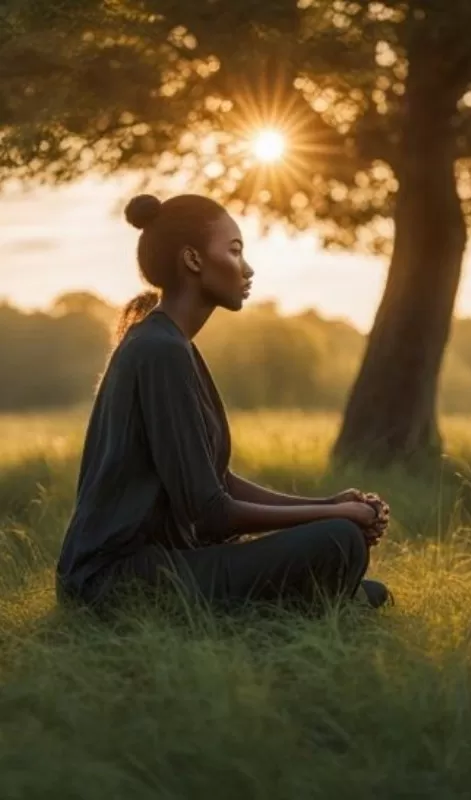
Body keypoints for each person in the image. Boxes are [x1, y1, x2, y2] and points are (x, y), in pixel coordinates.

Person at [56, 193, 392, 615]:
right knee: (338, 543)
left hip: (155, 567)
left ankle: (298, 608)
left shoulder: (173, 345)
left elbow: (217, 482)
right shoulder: (160, 351)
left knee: (360, 574)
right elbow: (210, 513)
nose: (247, 268)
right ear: (193, 260)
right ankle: (294, 610)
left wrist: (328, 505)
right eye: (234, 251)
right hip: (115, 582)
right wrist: (338, 518)